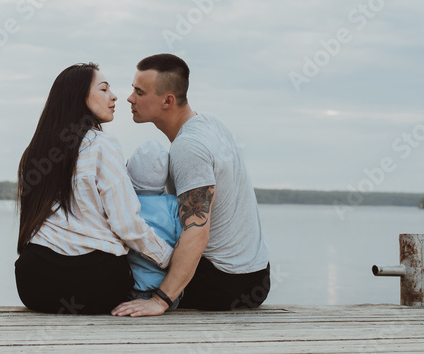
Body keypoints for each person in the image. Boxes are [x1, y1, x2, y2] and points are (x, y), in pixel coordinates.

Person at [112, 53, 271, 317]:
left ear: (168, 101)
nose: (130, 98)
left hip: (225, 283)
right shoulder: (212, 125)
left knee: (106, 270)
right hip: (256, 276)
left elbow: (197, 233)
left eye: (139, 92)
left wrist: (159, 301)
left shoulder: (189, 148)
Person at [14, 62, 174, 315]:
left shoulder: (33, 153)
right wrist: (170, 259)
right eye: (104, 89)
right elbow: (127, 225)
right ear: (79, 97)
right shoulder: (102, 145)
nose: (114, 96)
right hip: (95, 285)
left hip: (34, 285)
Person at [124, 140, 181, 308]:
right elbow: (182, 242)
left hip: (131, 290)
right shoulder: (173, 204)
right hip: (169, 294)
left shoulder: (126, 203)